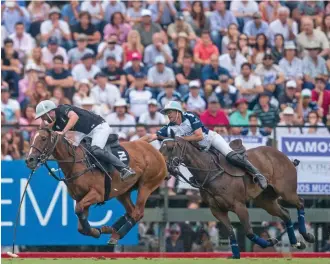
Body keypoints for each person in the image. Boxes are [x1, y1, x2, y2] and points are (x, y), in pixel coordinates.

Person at [144, 101, 268, 189]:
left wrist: (181, 138)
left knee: (230, 156)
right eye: (167, 113)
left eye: (170, 112)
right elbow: (152, 136)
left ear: (178, 112)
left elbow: (200, 136)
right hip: (200, 149)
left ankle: (257, 173)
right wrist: (137, 144)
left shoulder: (190, 116)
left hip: (211, 140)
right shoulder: (169, 126)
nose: (168, 115)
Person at [34, 100, 135, 180]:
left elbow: (74, 117)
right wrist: (38, 160)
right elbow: (42, 132)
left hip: (98, 126)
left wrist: (64, 132)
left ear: (50, 112)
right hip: (83, 132)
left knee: (96, 149)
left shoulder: (62, 109)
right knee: (72, 150)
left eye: (43, 116)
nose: (43, 119)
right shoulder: (54, 123)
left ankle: (124, 169)